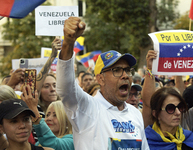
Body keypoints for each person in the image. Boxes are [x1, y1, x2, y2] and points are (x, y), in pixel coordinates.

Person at [56, 17, 149, 150]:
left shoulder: (135, 114)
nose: (125, 76)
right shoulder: (87, 108)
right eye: (117, 70)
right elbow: (66, 88)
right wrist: (68, 43)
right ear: (100, 79)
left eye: (127, 70)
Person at [21, 85, 74, 150]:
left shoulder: (72, 141)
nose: (49, 119)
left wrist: (35, 113)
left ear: (66, 122)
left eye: (55, 115)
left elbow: (54, 145)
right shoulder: (38, 143)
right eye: (47, 115)